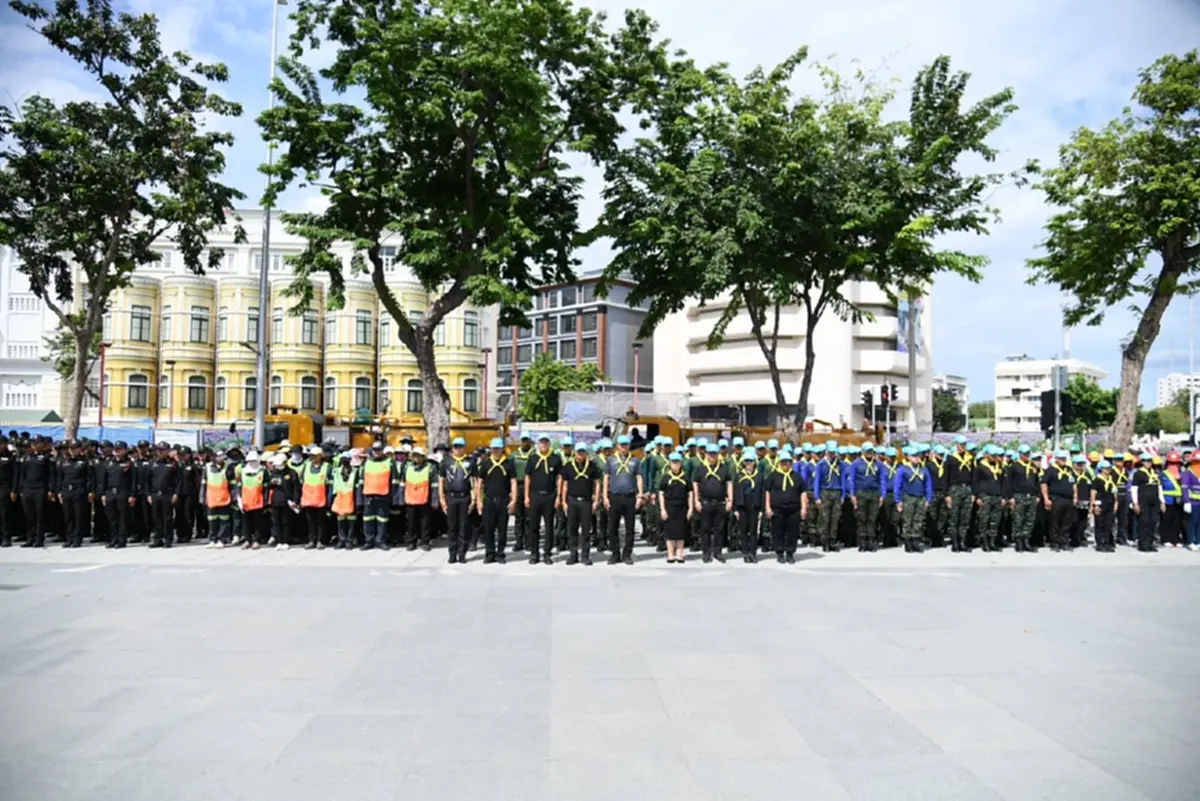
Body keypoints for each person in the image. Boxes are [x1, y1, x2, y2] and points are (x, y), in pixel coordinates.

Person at [476, 438, 517, 564]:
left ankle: (500, 553)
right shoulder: (485, 464)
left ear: (502, 449)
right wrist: (478, 500)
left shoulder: (509, 464)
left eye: (498, 448)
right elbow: (479, 483)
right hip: (489, 500)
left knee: (502, 529)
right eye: (494, 448)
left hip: (503, 500)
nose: (496, 450)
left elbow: (513, 482)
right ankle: (489, 553)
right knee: (488, 529)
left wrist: (514, 499)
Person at [604, 435, 643, 566]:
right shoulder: (610, 460)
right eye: (621, 445)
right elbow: (606, 478)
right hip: (614, 496)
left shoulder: (635, 460)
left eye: (626, 444)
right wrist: (604, 496)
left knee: (630, 528)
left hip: (630, 497)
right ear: (617, 446)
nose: (624, 447)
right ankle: (615, 553)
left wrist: (640, 496)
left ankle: (627, 554)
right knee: (612, 527)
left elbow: (639, 478)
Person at [559, 441, 601, 565]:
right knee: (572, 528)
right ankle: (573, 554)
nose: (581, 454)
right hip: (572, 500)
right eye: (579, 452)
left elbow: (597, 483)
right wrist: (563, 501)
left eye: (583, 451)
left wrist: (596, 500)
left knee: (586, 529)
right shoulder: (568, 466)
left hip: (587, 501)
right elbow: (564, 484)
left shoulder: (592, 466)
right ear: (575, 453)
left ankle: (585, 555)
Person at [523, 434, 561, 565]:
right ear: (538, 444)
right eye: (541, 442)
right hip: (535, 495)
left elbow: (559, 478)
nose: (544, 444)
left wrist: (559, 496)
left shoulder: (555, 458)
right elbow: (527, 477)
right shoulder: (533, 458)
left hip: (549, 496)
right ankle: (534, 553)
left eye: (546, 442)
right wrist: (527, 496)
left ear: (549, 444)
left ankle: (547, 553)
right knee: (533, 526)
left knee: (549, 526)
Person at [765, 449, 807, 563]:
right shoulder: (773, 476)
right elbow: (767, 491)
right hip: (777, 509)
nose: (785, 464)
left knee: (792, 532)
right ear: (779, 462)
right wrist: (767, 508)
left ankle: (790, 553)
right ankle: (779, 553)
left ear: (790, 463)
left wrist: (804, 508)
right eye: (783, 461)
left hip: (794, 509)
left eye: (787, 461)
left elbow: (803, 492)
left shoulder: (797, 476)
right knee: (778, 532)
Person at [692, 442, 731, 563]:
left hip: (720, 503)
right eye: (710, 453)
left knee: (719, 529)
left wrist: (730, 500)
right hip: (705, 502)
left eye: (715, 453)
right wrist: (696, 500)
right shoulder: (701, 468)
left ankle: (718, 552)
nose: (712, 456)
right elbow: (695, 483)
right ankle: (706, 552)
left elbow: (729, 483)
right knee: (705, 529)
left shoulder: (724, 468)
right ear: (706, 454)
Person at [440, 437, 475, 564]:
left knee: (463, 526)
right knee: (452, 526)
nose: (458, 449)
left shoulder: (470, 461)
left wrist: (474, 499)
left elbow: (475, 480)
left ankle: (462, 554)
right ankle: (452, 553)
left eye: (460, 446)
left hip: (465, 497)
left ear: (464, 448)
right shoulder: (446, 461)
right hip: (451, 497)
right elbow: (441, 480)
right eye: (455, 446)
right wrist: (442, 499)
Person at [894, 447, 933, 552]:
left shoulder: (923, 469)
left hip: (920, 498)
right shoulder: (902, 469)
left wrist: (928, 499)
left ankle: (916, 541)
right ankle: (908, 543)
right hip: (908, 498)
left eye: (918, 455)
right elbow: (897, 486)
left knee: (918, 521)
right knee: (908, 521)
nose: (917, 458)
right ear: (908, 457)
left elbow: (928, 485)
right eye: (914, 456)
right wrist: (898, 501)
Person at [17, 436, 54, 548]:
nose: (35, 445)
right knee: (29, 515)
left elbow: (51, 475)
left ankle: (39, 538)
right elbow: (22, 475)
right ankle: (30, 538)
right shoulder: (26, 458)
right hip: (28, 488)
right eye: (33, 443)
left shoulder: (47, 457)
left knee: (40, 514)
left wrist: (51, 489)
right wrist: (20, 489)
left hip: (40, 488)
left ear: (42, 444)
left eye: (37, 443)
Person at [56, 441, 93, 549]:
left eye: (75, 448)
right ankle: (69, 538)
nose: (72, 450)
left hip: (79, 490)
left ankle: (77, 539)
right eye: (70, 448)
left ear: (79, 449)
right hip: (67, 490)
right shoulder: (65, 462)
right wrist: (59, 491)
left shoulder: (84, 462)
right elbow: (60, 478)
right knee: (68, 516)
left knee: (78, 516)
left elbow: (90, 478)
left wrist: (89, 491)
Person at [1005, 445, 1041, 553]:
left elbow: (1037, 481)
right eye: (1025, 454)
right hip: (1018, 496)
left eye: (1028, 453)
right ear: (1020, 454)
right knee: (1018, 520)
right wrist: (1010, 497)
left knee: (1029, 520)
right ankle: (1018, 542)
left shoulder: (1032, 467)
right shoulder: (1014, 467)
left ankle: (1026, 541)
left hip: (1031, 496)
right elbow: (1008, 483)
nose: (1027, 456)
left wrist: (1037, 495)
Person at [359, 441, 394, 551]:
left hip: (384, 495)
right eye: (375, 450)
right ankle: (369, 541)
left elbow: (394, 482)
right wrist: (360, 499)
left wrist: (393, 498)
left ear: (383, 450)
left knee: (382, 520)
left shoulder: (390, 462)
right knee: (367, 519)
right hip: (369, 495)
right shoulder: (366, 463)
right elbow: (361, 481)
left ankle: (381, 541)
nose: (377, 452)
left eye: (379, 450)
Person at [146, 443, 181, 549]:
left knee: (167, 517)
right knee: (156, 517)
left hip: (168, 494)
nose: (161, 452)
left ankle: (168, 539)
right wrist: (148, 494)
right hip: (155, 494)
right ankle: (157, 539)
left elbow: (178, 480)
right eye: (159, 450)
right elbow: (147, 481)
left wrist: (176, 493)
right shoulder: (152, 463)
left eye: (163, 450)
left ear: (168, 451)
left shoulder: (173, 463)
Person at [1040, 451, 1077, 552]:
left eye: (1064, 458)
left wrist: (1075, 496)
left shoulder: (1069, 470)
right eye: (1061, 458)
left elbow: (1074, 483)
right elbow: (1044, 484)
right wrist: (1046, 498)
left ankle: (1064, 542)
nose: (1063, 460)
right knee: (1055, 522)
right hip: (1056, 498)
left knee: (1066, 522)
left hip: (1068, 499)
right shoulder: (1050, 470)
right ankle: (1054, 542)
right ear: (1056, 459)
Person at [658, 451, 691, 564]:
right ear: (670, 464)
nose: (676, 465)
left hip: (682, 506)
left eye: (678, 462)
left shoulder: (686, 477)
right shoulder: (665, 477)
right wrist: (662, 509)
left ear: (681, 463)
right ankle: (670, 555)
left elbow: (690, 494)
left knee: (681, 531)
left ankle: (680, 554)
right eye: (673, 462)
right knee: (670, 531)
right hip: (669, 506)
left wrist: (690, 508)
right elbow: (661, 493)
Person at [812, 440, 845, 552]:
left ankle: (833, 541)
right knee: (825, 518)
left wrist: (843, 495)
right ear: (826, 451)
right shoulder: (821, 464)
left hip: (836, 491)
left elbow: (843, 480)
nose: (832, 454)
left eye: (834, 452)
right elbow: (817, 481)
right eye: (830, 452)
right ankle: (825, 542)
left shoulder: (840, 464)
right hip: (825, 492)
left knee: (835, 518)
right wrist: (816, 497)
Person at [850, 444, 884, 552]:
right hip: (861, 493)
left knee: (872, 518)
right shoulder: (856, 464)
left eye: (871, 451)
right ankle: (862, 542)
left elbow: (882, 480)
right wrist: (852, 495)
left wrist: (882, 495)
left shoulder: (878, 464)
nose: (870, 453)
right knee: (861, 518)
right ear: (863, 451)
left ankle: (871, 541)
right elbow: (852, 480)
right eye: (867, 451)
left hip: (874, 493)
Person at [403, 447, 437, 551]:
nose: (416, 458)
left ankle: (425, 541)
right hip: (410, 500)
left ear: (423, 457)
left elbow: (435, 485)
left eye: (418, 456)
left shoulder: (430, 468)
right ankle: (411, 542)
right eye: (414, 455)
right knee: (411, 523)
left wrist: (435, 500)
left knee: (425, 523)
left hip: (424, 500)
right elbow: (402, 483)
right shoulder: (407, 467)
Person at [299, 445, 333, 550]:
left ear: (320, 456)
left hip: (321, 499)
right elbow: (301, 481)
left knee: (321, 522)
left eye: (314, 456)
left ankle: (320, 541)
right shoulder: (306, 466)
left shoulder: (327, 467)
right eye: (311, 456)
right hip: (308, 500)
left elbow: (330, 485)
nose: (312, 458)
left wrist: (329, 500)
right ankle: (311, 540)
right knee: (311, 522)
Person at [202, 449, 237, 548]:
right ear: (214, 457)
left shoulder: (228, 467)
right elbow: (203, 484)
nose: (221, 460)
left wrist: (234, 497)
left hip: (224, 498)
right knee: (212, 520)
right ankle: (213, 539)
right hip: (211, 498)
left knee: (223, 520)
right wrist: (202, 497)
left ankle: (222, 539)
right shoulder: (207, 467)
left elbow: (233, 484)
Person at [973, 445, 1006, 552]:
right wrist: (977, 496)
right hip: (985, 496)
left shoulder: (999, 466)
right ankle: (985, 542)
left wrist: (1003, 497)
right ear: (986, 455)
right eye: (992, 455)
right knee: (985, 520)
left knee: (995, 521)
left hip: (997, 496)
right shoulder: (980, 467)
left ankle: (992, 542)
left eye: (995, 455)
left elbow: (1002, 483)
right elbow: (975, 483)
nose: (994, 457)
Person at [945, 436, 975, 552]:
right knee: (954, 518)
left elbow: (972, 476)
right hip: (954, 489)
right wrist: (947, 494)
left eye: (965, 444)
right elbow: (946, 478)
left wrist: (973, 492)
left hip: (966, 489)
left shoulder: (969, 458)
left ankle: (962, 542)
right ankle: (955, 543)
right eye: (961, 444)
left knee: (965, 518)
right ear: (956, 445)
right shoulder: (951, 459)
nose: (963, 447)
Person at [733, 450, 762, 563]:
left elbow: (762, 492)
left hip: (754, 506)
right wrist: (735, 509)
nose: (749, 463)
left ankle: (753, 553)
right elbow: (735, 492)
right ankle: (745, 552)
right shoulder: (739, 475)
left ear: (755, 462)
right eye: (746, 461)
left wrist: (761, 510)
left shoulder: (759, 476)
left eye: (751, 461)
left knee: (753, 530)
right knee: (743, 530)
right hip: (742, 506)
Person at [1130, 451, 1161, 552]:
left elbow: (1159, 487)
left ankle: (1150, 543)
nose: (1148, 463)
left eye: (1150, 461)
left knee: (1153, 522)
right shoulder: (1138, 473)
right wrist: (1135, 503)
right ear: (1142, 462)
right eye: (1146, 461)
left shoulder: (1154, 473)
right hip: (1143, 500)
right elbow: (1134, 489)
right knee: (1144, 522)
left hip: (1154, 500)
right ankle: (1143, 544)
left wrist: (1162, 501)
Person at [510, 433, 533, 552]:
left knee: (529, 516)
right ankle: (519, 541)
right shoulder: (514, 455)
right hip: (518, 486)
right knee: (519, 516)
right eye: (523, 440)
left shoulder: (534, 454)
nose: (524, 442)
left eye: (527, 440)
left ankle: (528, 542)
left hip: (531, 488)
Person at [331, 452, 359, 549]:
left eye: (346, 459)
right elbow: (334, 485)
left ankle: (349, 541)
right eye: (342, 459)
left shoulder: (356, 471)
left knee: (351, 522)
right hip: (340, 498)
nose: (344, 461)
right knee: (340, 522)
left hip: (351, 498)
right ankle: (341, 540)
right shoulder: (337, 471)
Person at [1090, 459, 1119, 553]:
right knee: (1100, 524)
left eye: (1109, 468)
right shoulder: (1097, 480)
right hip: (1100, 504)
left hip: (1110, 503)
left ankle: (1107, 542)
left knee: (1108, 524)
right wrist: (1094, 505)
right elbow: (1093, 493)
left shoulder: (1111, 479)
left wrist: (1116, 502)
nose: (1108, 470)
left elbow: (1114, 491)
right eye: (1106, 468)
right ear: (1101, 469)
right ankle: (1100, 543)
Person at [1159, 451, 1184, 547]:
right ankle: (1165, 539)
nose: (1174, 465)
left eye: (1176, 463)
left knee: (1177, 520)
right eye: (1172, 463)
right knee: (1166, 520)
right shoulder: (1163, 475)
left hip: (1179, 501)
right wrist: (1162, 502)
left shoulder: (1181, 474)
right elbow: (1160, 488)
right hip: (1167, 500)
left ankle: (1175, 539)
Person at [1182, 452, 1200, 552]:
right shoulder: (1188, 472)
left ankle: (1198, 541)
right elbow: (1184, 487)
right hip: (1193, 501)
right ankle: (1191, 541)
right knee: (1193, 522)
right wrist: (1186, 501)